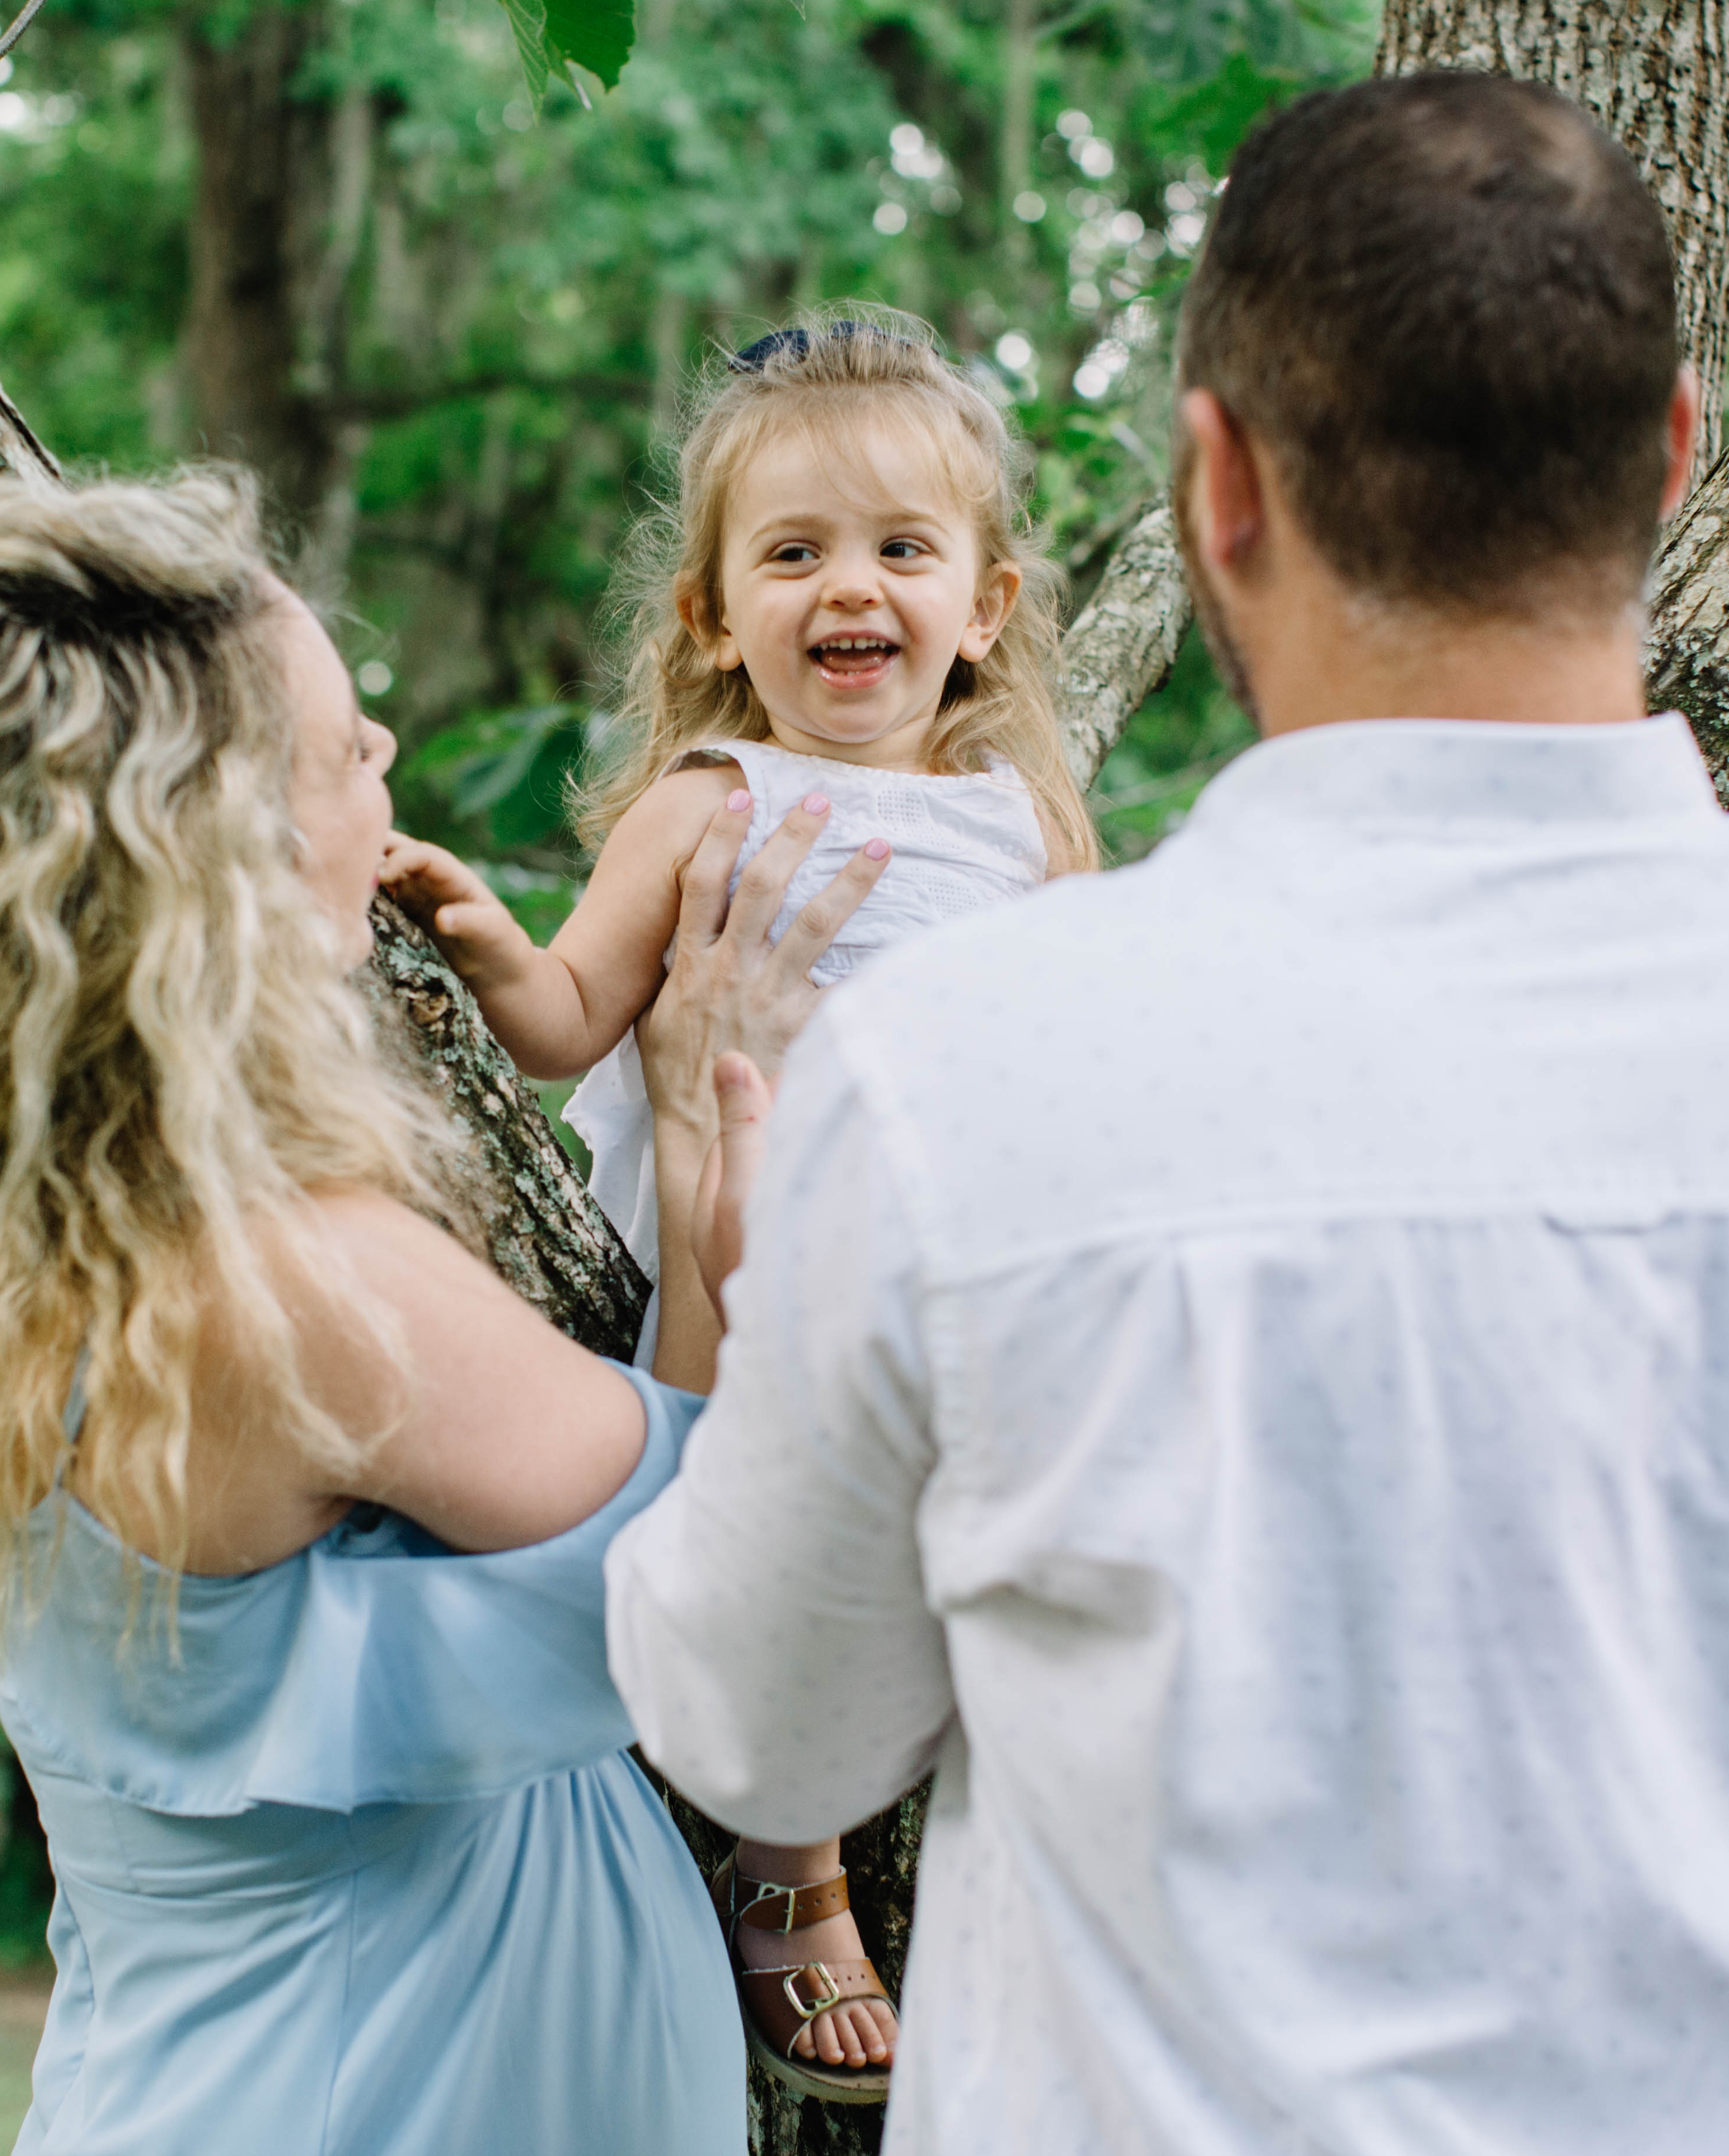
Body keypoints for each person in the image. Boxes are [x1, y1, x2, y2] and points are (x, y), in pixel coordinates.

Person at [607, 73, 1729, 2156]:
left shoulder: (965, 1086)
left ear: (1218, 486)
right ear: (1673, 459)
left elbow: (759, 1722)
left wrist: (738, 1284)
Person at [0, 471, 880, 2155]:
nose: (389, 758)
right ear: (230, 847)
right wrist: (712, 1147)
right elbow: (723, 1596)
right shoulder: (295, 1283)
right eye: (348, 749)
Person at [379, 311, 1099, 2099]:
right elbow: (567, 1023)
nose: (848, 588)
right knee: (805, 1530)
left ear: (985, 606)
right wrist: (482, 941)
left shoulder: (1022, 820)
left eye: (899, 550)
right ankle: (790, 1867)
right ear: (713, 619)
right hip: (755, 1273)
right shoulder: (713, 801)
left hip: (965, 1256)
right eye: (794, 553)